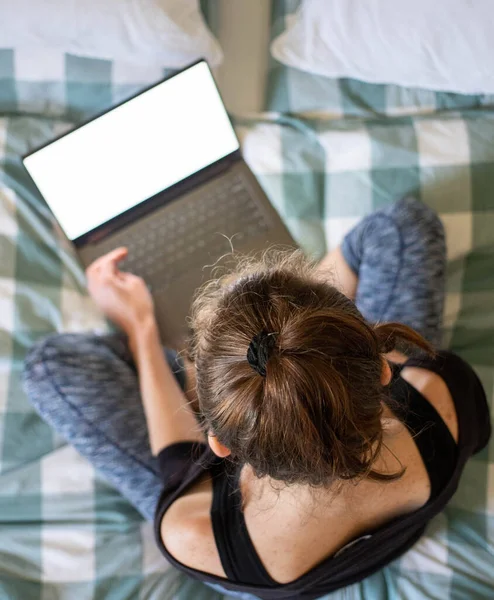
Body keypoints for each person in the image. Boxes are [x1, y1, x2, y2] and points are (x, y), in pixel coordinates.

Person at [23, 197, 491, 600]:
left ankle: (242, 383)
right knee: (402, 225)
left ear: (218, 446)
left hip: (257, 555)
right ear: (384, 369)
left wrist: (142, 328)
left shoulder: (195, 535)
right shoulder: (442, 392)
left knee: (49, 366)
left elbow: (178, 463)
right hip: (383, 513)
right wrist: (316, 355)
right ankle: (279, 371)